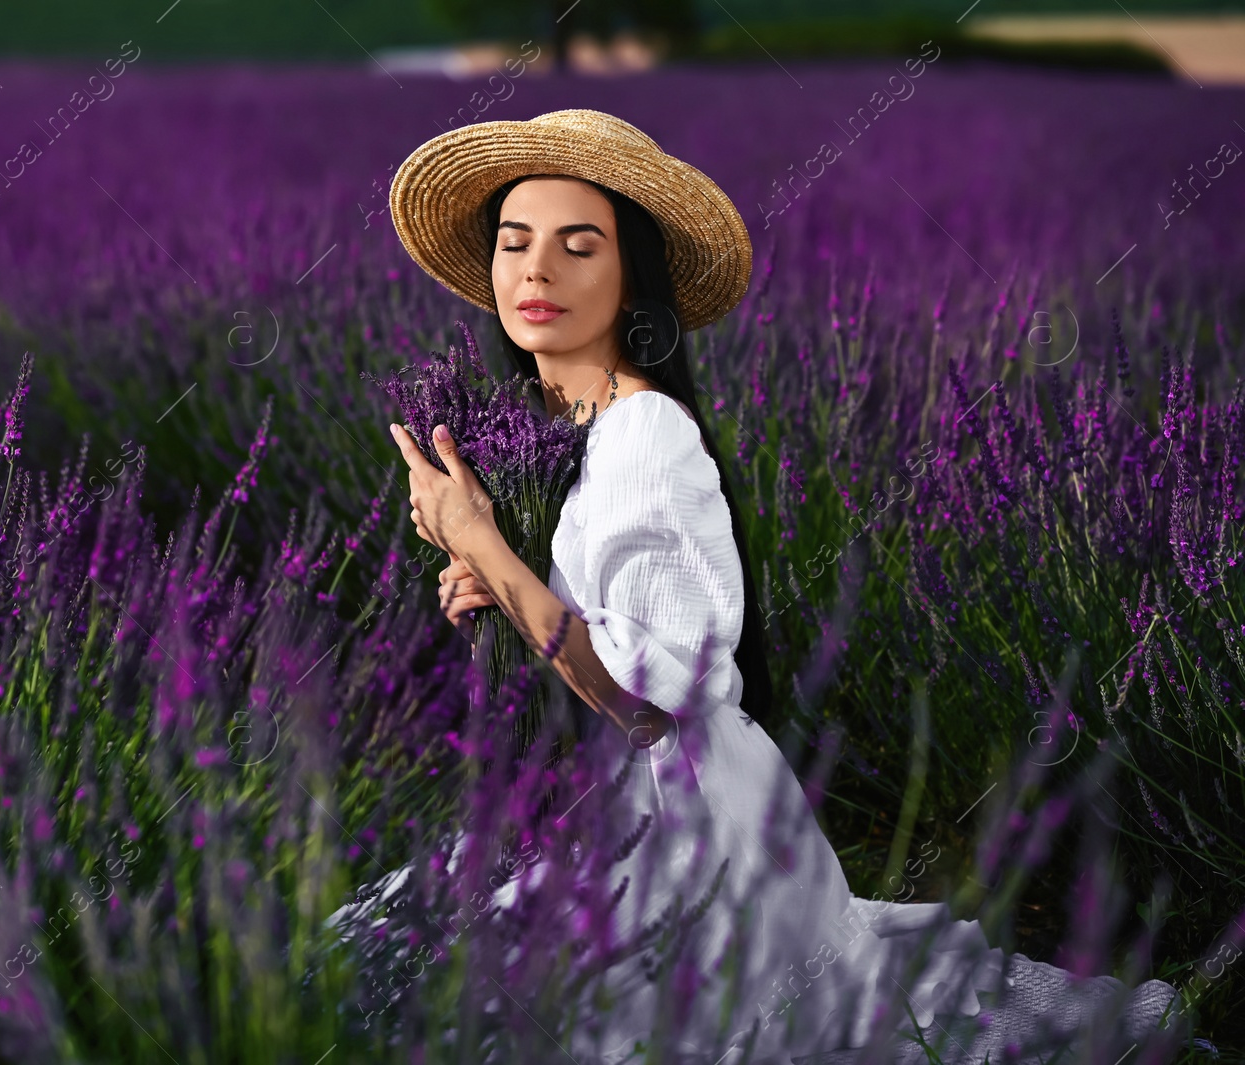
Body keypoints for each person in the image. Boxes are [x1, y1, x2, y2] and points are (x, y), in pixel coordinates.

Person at [338, 108, 1184, 1062]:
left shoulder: (646, 436)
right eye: (514, 242)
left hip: (674, 824)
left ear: (632, 281)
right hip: (579, 795)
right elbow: (576, 621)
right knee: (387, 968)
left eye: (580, 247)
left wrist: (481, 543)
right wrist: (488, 586)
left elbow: (642, 697)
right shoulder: (547, 425)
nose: (536, 271)